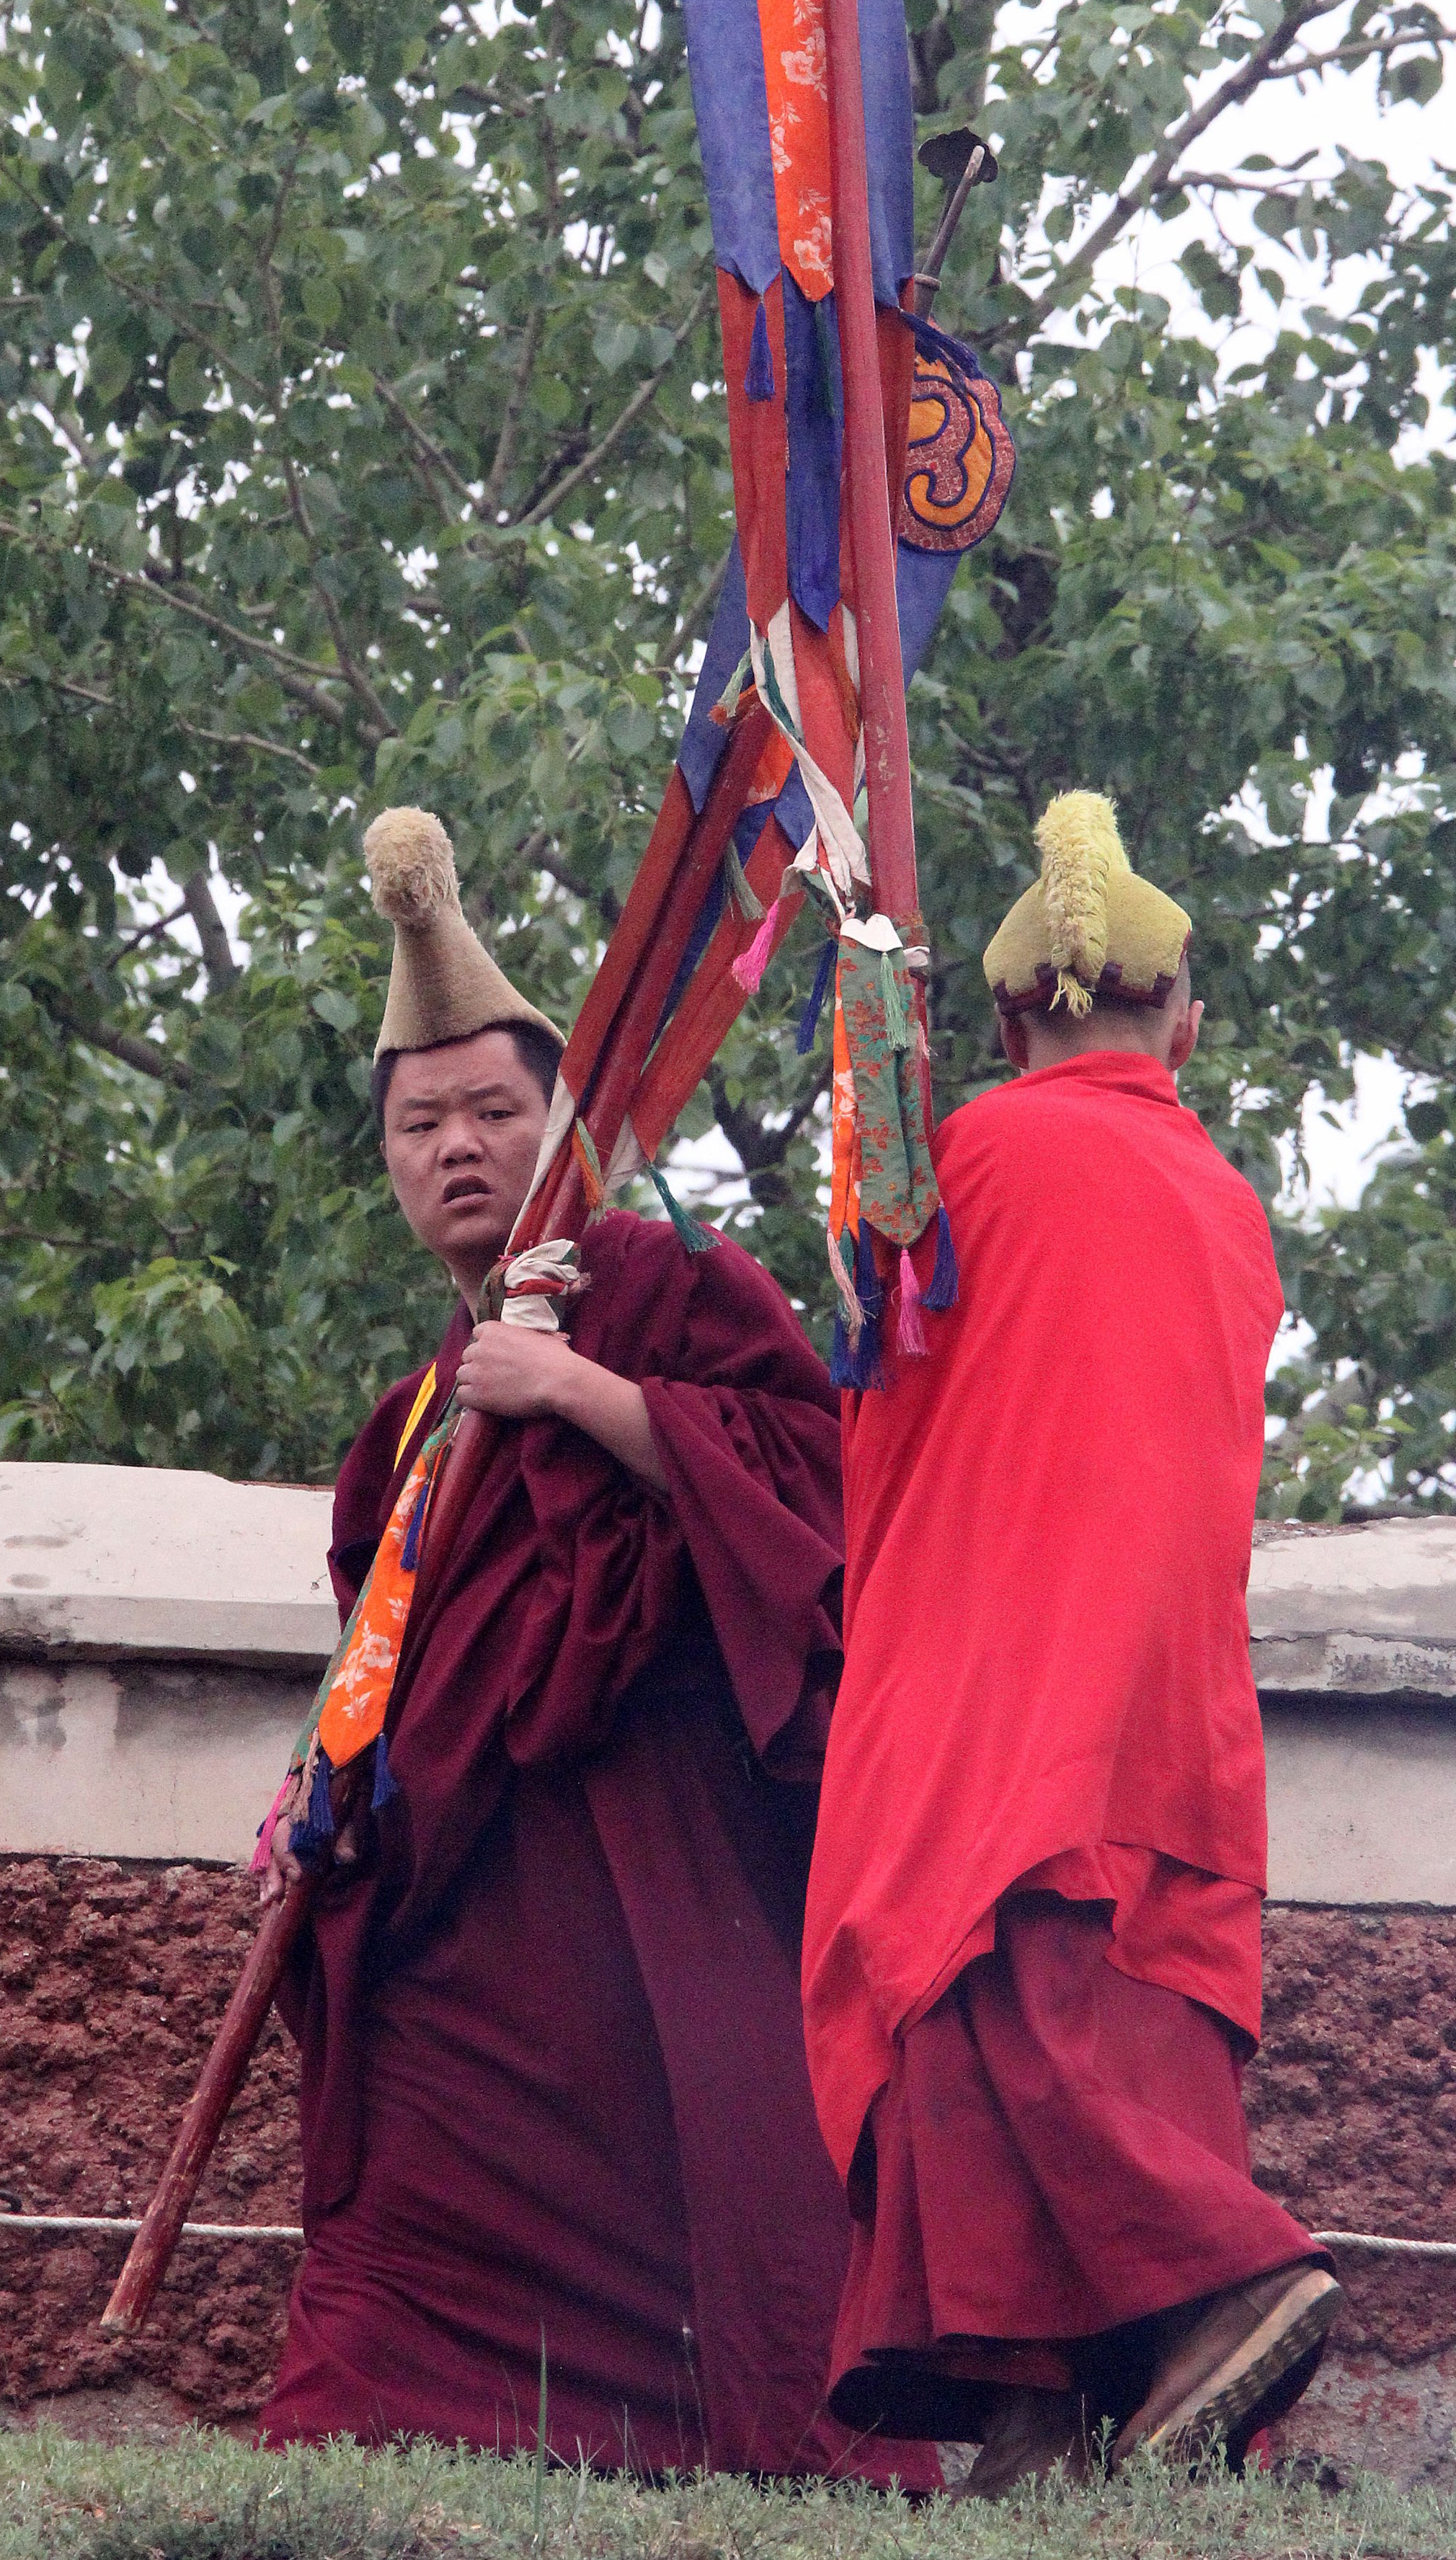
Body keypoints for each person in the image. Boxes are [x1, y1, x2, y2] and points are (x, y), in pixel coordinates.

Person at [260, 807, 929, 2484]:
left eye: (495, 1111)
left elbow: (812, 1488)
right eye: (421, 1123)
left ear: (565, 1121)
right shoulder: (406, 1423)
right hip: (471, 1913)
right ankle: (347, 2445)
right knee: (384, 2232)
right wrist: (303, 1799)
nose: (458, 1148)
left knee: (719, 2175)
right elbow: (384, 1671)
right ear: (388, 1160)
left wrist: (578, 1389)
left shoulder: (666, 1285)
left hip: (657, 1863)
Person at [800, 790, 1341, 2495]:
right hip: (1167, 1706)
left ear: (1007, 1021)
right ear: (1182, 1023)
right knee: (1126, 2015)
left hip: (1000, 1678)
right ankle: (1049, 2418)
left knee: (979, 1994)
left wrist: (883, 1110)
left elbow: (883, 1395)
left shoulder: (960, 1159)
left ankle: (1222, 2279)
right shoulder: (1231, 1211)